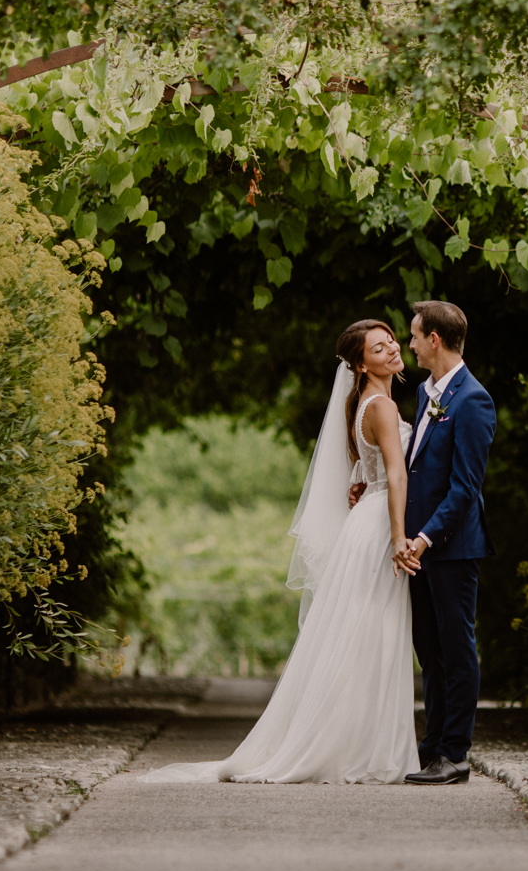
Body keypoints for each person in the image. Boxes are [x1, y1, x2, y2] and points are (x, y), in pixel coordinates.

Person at [139, 319, 418, 784]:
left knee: (364, 636)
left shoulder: (364, 404)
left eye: (391, 340)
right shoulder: (383, 407)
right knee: (376, 635)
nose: (391, 349)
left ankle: (363, 746)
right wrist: (398, 537)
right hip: (377, 531)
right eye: (378, 346)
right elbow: (394, 476)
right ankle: (367, 750)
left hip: (362, 524)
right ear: (358, 362)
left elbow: (364, 473)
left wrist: (364, 498)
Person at [395, 300, 495, 785]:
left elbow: (465, 487)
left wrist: (426, 537)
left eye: (414, 335)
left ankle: (455, 754)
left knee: (457, 650)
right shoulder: (425, 393)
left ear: (434, 339)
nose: (408, 343)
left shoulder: (473, 400)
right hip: (418, 548)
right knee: (429, 651)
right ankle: (431, 746)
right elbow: (416, 467)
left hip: (451, 548)